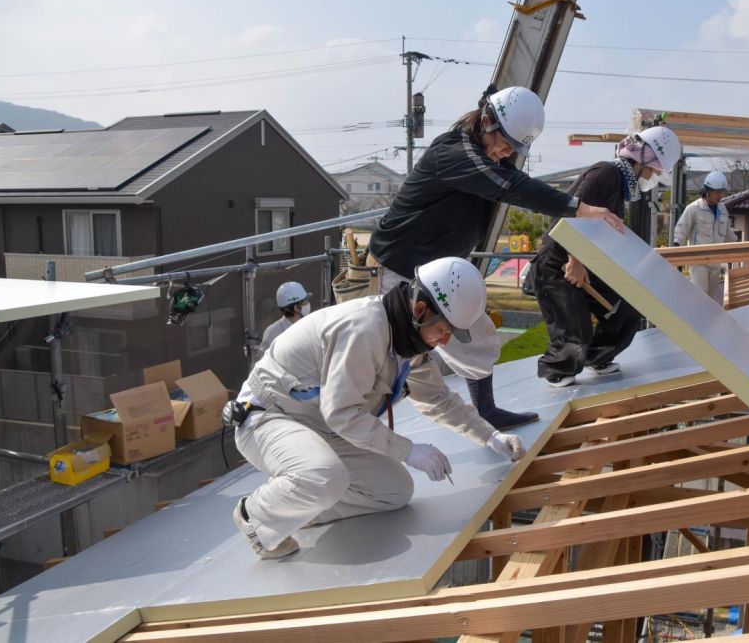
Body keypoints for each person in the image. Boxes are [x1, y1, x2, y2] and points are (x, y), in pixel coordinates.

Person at [228, 257, 526, 559]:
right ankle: (256, 517)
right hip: (269, 416)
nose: (446, 340)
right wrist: (409, 450)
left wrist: (491, 437)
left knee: (393, 492)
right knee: (324, 476)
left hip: (322, 426)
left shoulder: (409, 343)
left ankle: (297, 501)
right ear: (421, 310)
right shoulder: (365, 329)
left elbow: (438, 399)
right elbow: (342, 414)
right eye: (446, 329)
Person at [368, 85, 625, 429]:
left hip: (438, 274)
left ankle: (486, 411)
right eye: (505, 143)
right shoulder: (455, 151)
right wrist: (579, 207)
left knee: (478, 337)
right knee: (385, 358)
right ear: (485, 122)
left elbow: (511, 178)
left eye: (514, 149)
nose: (506, 153)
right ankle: (351, 429)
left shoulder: (484, 156)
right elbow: (512, 187)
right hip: (399, 270)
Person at [533, 127, 681, 387]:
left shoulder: (619, 187)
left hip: (584, 262)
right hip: (559, 263)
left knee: (628, 308)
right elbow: (571, 213)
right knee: (575, 331)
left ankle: (597, 356)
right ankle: (558, 369)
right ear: (643, 160)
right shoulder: (605, 173)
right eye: (655, 170)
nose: (654, 176)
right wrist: (575, 261)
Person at [673, 170, 739, 305]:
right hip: (698, 262)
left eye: (722, 192)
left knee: (711, 300)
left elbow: (728, 234)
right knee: (700, 296)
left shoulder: (722, 210)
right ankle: (694, 324)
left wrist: (741, 246)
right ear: (708, 191)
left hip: (715, 262)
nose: (720, 195)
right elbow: (681, 230)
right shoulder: (693, 209)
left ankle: (706, 325)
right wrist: (677, 256)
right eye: (717, 192)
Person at [256, 281, 311, 360]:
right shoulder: (273, 332)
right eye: (305, 302)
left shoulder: (310, 325)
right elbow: (263, 363)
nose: (308, 304)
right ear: (296, 308)